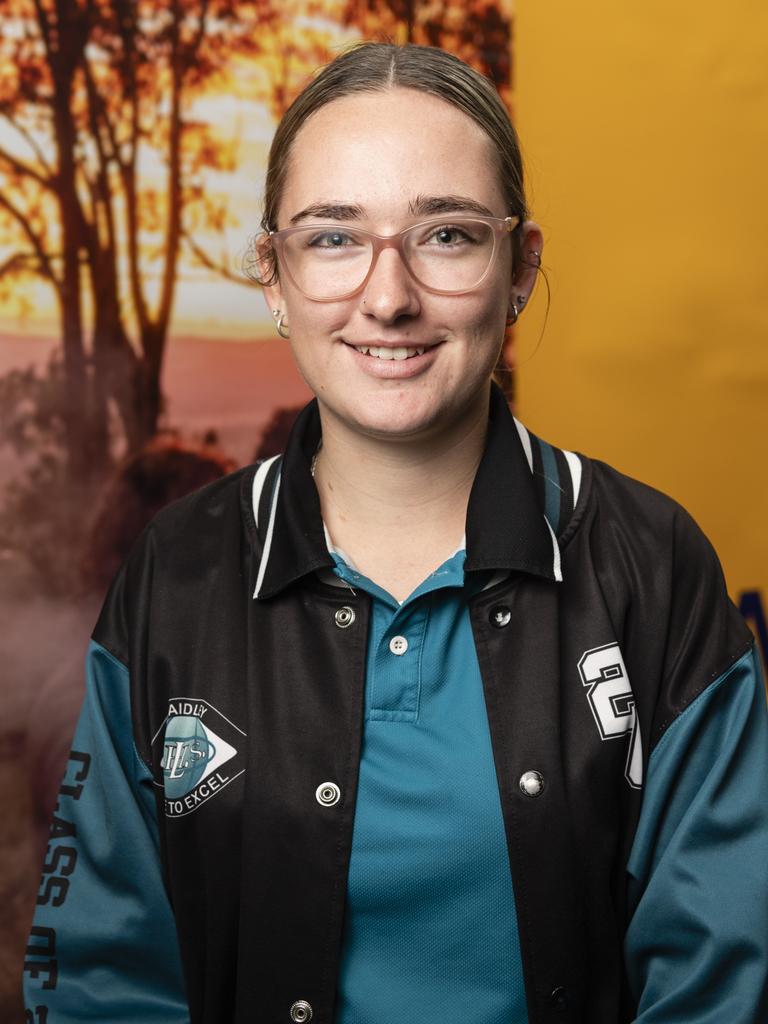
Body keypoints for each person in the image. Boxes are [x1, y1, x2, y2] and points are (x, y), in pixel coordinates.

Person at [23, 40, 768, 1024]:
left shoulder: (649, 563)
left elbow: (721, 979)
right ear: (273, 277)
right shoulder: (178, 570)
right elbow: (102, 976)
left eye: (447, 235)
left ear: (520, 269)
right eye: (333, 238)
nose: (388, 296)